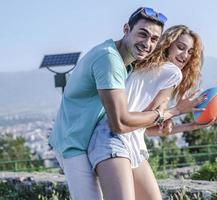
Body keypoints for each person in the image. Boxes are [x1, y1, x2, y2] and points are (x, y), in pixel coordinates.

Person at [49, 8, 204, 200]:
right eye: (142, 34)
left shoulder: (131, 65)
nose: (147, 43)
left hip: (105, 138)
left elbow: (143, 127)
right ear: (126, 29)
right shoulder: (110, 60)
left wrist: (188, 123)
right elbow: (121, 124)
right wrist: (175, 111)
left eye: (154, 39)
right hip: (74, 141)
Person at [88, 25, 217, 200]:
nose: (185, 55)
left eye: (190, 52)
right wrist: (178, 110)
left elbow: (147, 128)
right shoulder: (173, 73)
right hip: (113, 140)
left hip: (125, 140)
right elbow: (152, 118)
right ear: (168, 45)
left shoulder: (144, 65)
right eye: (180, 47)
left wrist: (192, 125)